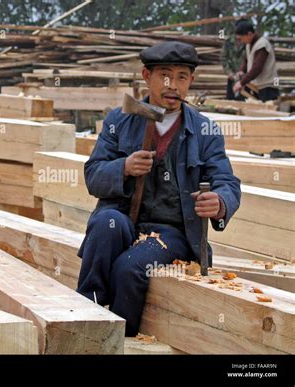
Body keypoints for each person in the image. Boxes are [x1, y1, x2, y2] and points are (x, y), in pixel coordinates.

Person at [77, 41, 241, 337]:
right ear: (146, 76)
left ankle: (120, 339)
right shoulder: (120, 121)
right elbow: (93, 176)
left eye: (181, 77)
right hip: (124, 220)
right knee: (104, 224)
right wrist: (123, 167)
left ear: (191, 81)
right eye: (164, 75)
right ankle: (86, 319)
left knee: (128, 267)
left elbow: (227, 183)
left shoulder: (205, 131)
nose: (173, 85)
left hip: (174, 234)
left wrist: (219, 202)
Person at [233, 20, 279, 102]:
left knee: (267, 112)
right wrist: (241, 71)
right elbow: (246, 60)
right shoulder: (249, 44)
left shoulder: (262, 45)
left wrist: (241, 83)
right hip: (257, 86)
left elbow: (257, 68)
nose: (240, 41)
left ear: (249, 34)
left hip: (268, 87)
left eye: (241, 38)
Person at [221, 25, 245, 100]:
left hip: (245, 79)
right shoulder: (228, 42)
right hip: (232, 77)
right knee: (230, 101)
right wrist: (229, 72)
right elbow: (223, 58)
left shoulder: (248, 42)